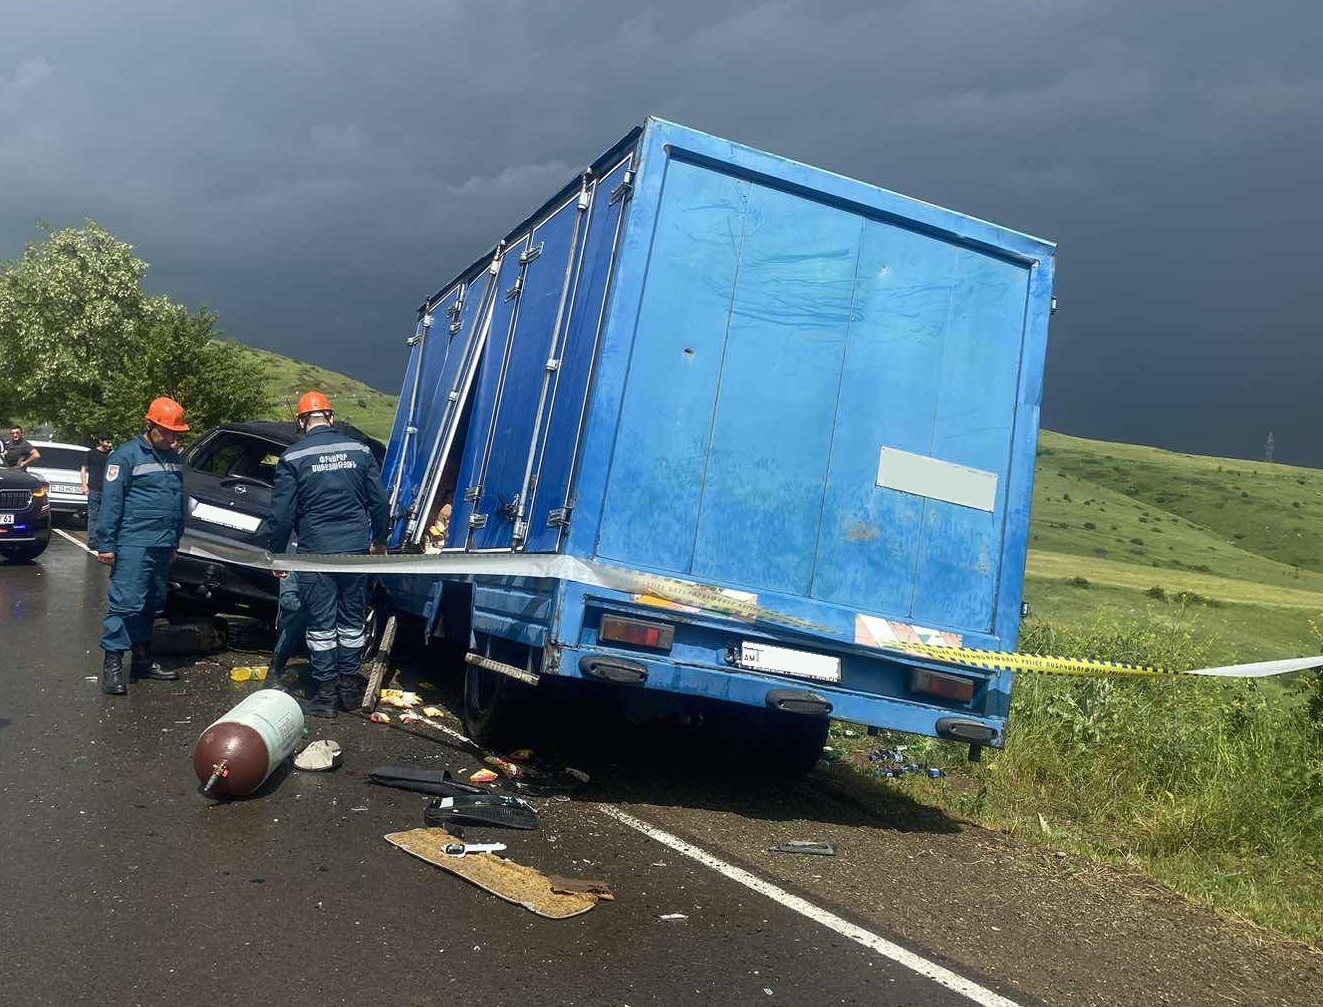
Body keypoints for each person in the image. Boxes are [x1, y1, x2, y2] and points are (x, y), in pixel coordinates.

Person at [269, 391, 389, 718]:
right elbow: (379, 502)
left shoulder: (293, 457)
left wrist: (277, 553)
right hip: (355, 551)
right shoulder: (360, 451)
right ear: (331, 417)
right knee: (352, 622)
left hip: (315, 553)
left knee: (321, 626)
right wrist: (379, 540)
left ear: (301, 421)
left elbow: (281, 514)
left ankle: (325, 697)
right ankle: (349, 690)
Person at [95, 398, 189, 695]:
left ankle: (143, 660)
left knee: (152, 604)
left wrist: (173, 541)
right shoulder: (125, 456)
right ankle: (113, 663)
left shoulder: (174, 458)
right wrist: (106, 543)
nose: (173, 438)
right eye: (168, 432)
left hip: (162, 544)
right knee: (126, 604)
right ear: (151, 426)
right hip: (134, 543)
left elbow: (177, 503)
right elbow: (111, 503)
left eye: (177, 433)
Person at [80, 434, 114, 551]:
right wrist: (84, 485)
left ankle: (103, 539)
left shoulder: (112, 455)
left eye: (110, 442)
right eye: (107, 442)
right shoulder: (91, 454)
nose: (109, 444)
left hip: (108, 489)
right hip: (94, 488)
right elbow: (84, 469)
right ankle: (93, 540)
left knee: (106, 515)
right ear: (101, 441)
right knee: (94, 514)